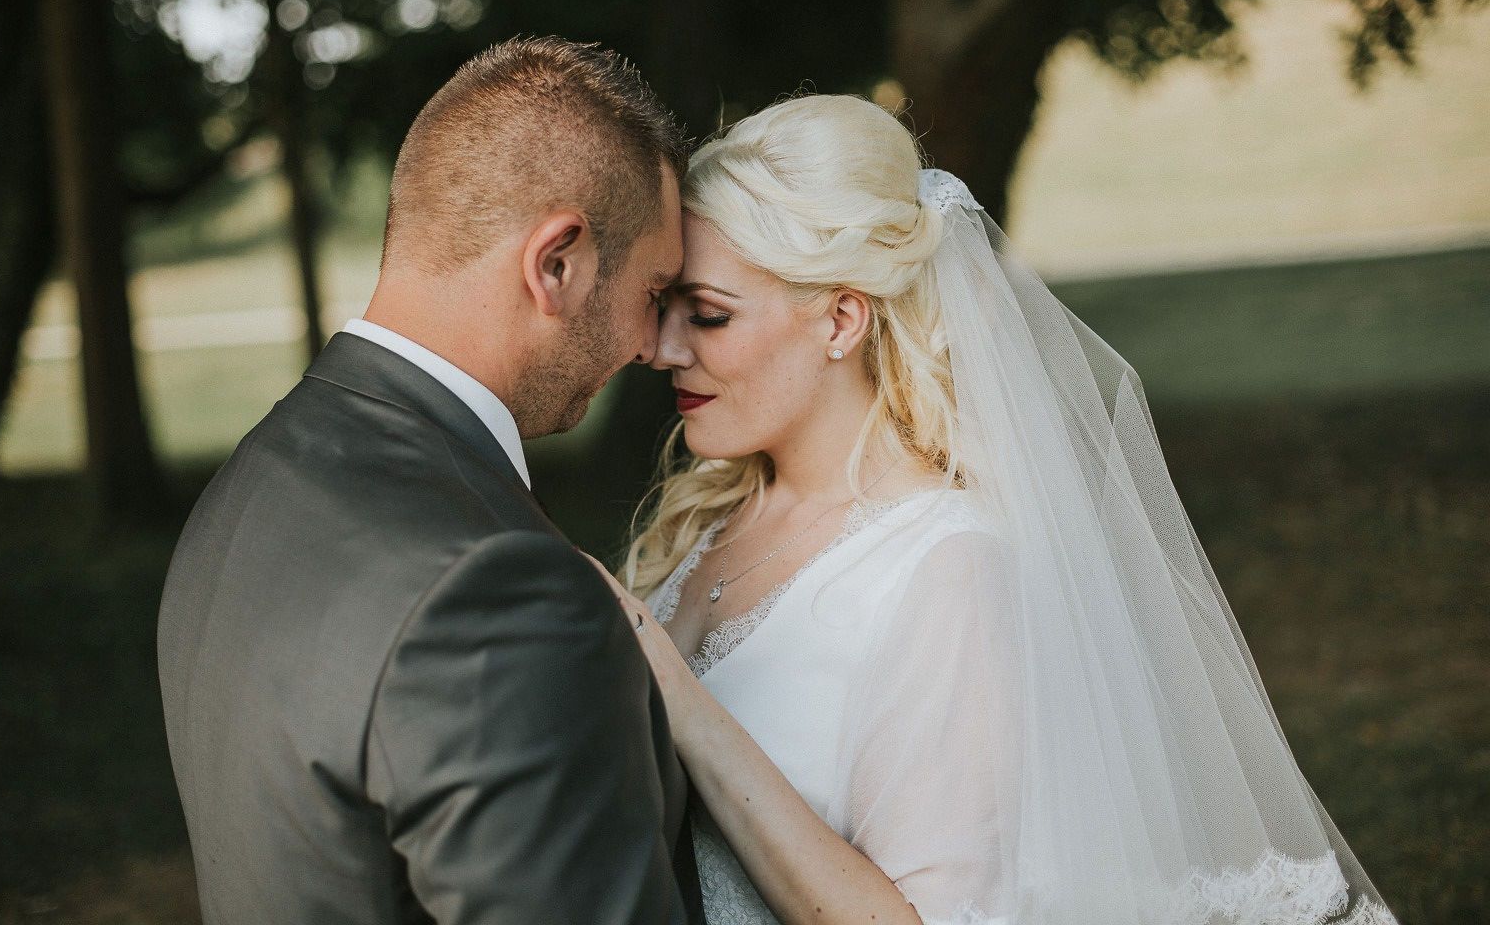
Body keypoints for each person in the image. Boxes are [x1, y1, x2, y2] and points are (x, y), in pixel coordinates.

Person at [591, 93, 1401, 925]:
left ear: (841, 319)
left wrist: (685, 706)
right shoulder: (712, 515)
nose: (662, 348)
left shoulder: (946, 568)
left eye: (709, 315)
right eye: (665, 307)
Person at [158, 36, 704, 924]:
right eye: (653, 291)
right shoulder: (501, 596)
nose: (652, 346)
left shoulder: (256, 476)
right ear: (557, 264)